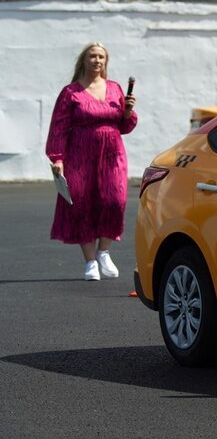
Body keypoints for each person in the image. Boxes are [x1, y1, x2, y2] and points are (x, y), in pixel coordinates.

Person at [46, 43, 138, 280]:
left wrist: (128, 113)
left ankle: (104, 251)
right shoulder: (71, 93)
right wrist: (58, 159)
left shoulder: (116, 88)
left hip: (112, 152)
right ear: (83, 61)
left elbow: (125, 126)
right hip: (79, 153)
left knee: (114, 201)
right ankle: (90, 262)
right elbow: (59, 127)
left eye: (101, 57)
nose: (97, 60)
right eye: (92, 56)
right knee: (83, 204)